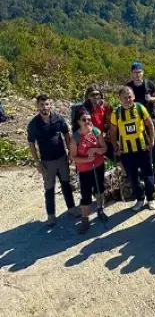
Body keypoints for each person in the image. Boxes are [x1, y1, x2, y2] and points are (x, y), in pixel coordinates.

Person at [28, 94, 78, 226]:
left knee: (66, 184)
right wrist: (37, 162)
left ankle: (72, 208)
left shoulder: (58, 119)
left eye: (46, 104)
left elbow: (66, 135)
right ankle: (51, 215)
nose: (44, 107)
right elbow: (31, 144)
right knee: (49, 188)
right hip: (47, 162)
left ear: (50, 105)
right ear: (37, 106)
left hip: (62, 158)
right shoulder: (34, 124)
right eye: (41, 105)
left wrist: (70, 153)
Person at [110, 86, 155, 212]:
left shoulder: (140, 108)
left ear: (134, 97)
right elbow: (113, 132)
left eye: (130, 97)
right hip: (127, 151)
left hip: (143, 148)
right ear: (120, 99)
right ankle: (140, 199)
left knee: (148, 174)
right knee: (133, 177)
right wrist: (116, 147)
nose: (128, 100)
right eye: (125, 98)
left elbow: (150, 125)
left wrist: (152, 141)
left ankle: (151, 198)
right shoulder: (116, 113)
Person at [69, 109, 108, 233]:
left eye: (89, 119)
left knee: (99, 189)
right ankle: (85, 219)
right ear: (79, 122)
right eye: (84, 120)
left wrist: (96, 150)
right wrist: (87, 159)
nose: (87, 122)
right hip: (85, 170)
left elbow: (104, 148)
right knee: (85, 195)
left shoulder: (96, 132)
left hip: (98, 166)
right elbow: (73, 157)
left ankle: (100, 208)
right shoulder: (75, 137)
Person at [127, 62, 155, 171]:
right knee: (137, 142)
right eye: (135, 72)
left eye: (139, 72)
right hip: (134, 119)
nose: (137, 74)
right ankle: (141, 165)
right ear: (132, 73)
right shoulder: (128, 86)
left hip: (149, 117)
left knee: (153, 141)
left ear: (142, 72)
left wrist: (151, 99)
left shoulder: (149, 84)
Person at [78, 86, 113, 160]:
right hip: (91, 136)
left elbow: (110, 120)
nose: (95, 97)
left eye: (97, 94)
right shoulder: (84, 109)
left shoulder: (105, 105)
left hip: (104, 135)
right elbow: (85, 125)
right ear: (88, 97)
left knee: (116, 156)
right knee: (94, 159)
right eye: (92, 95)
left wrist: (108, 132)